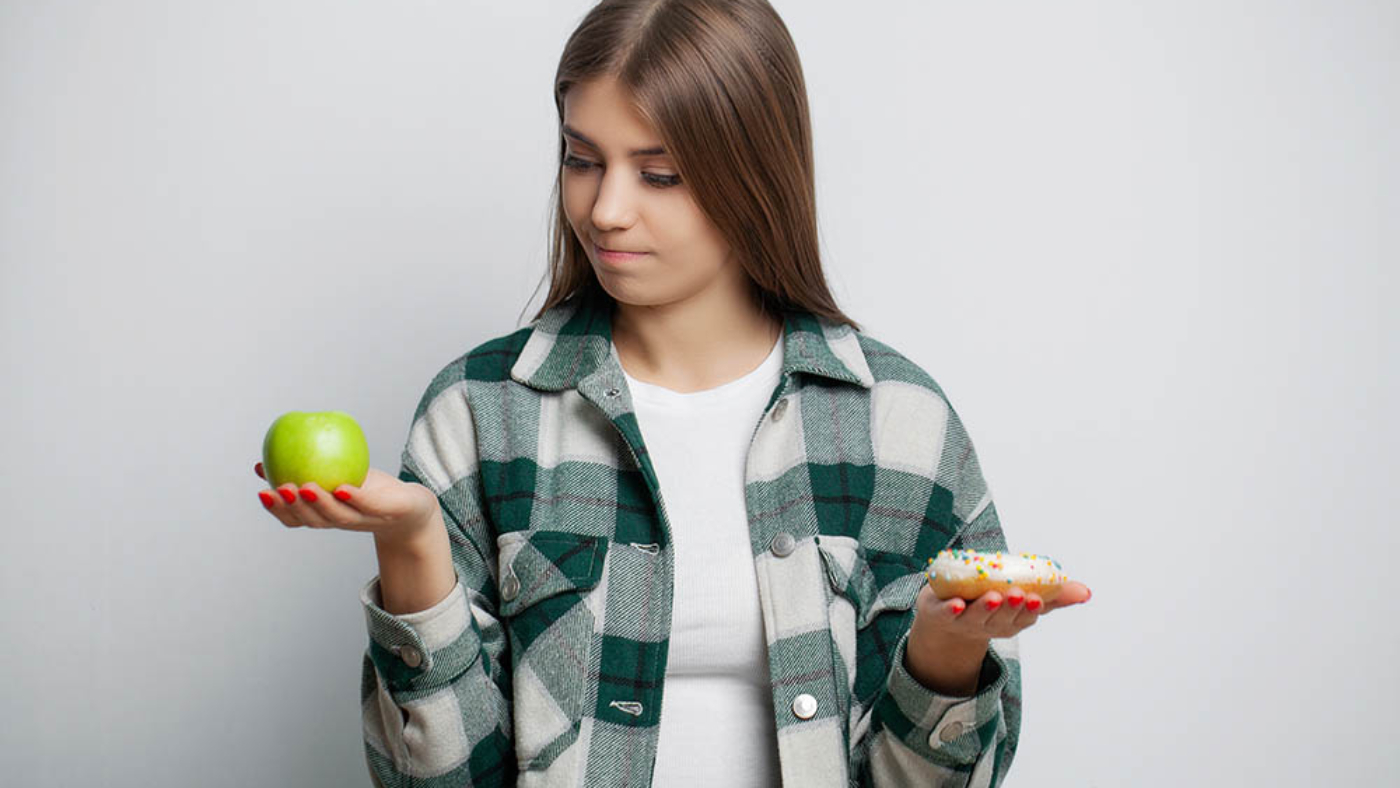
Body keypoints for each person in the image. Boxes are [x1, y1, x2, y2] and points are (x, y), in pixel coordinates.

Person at [255, 1, 1090, 785]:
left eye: (658, 175)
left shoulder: (898, 425)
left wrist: (941, 654)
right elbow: (435, 780)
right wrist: (411, 549)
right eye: (583, 160)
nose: (606, 209)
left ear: (755, 178)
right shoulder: (480, 413)